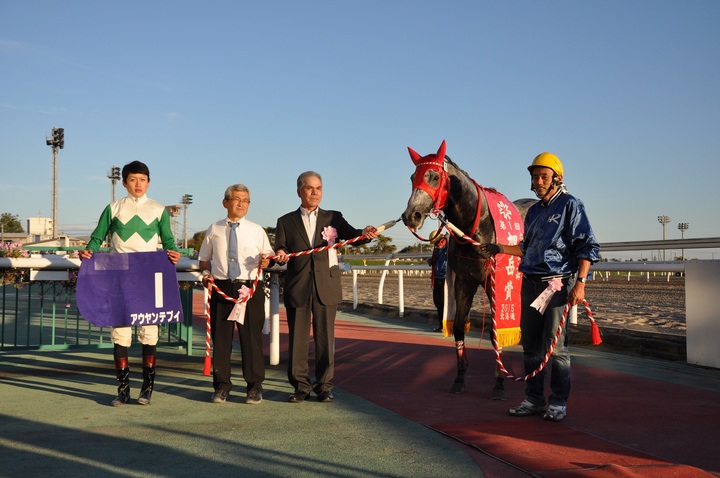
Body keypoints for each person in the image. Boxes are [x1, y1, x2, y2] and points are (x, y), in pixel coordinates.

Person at [480, 152, 600, 422]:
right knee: (531, 345)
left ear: (558, 178)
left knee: (556, 347)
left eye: (544, 176)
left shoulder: (571, 205)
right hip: (530, 283)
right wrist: (499, 248)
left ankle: (558, 402)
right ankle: (533, 399)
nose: (538, 182)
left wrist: (580, 283)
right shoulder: (534, 211)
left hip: (556, 284)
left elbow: (587, 246)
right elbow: (526, 248)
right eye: (535, 177)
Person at [79, 160, 181, 406]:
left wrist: (174, 253)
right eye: (133, 179)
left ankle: (147, 389)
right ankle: (123, 390)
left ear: (149, 183)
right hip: (120, 277)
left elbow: (168, 241)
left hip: (148, 278)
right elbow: (97, 237)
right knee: (121, 334)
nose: (138, 184)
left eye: (143, 180)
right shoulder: (113, 208)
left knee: (149, 333)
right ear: (124, 182)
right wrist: (89, 250)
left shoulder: (158, 209)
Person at [274, 171, 378, 403]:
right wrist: (280, 252)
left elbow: (353, 236)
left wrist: (366, 234)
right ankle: (300, 386)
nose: (315, 192)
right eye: (309, 188)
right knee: (297, 340)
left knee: (325, 339)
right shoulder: (285, 221)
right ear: (299, 191)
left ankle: (324, 386)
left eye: (318, 188)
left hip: (326, 286)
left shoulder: (334, 217)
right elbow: (280, 246)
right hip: (298, 286)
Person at [198, 184, 273, 405]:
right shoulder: (214, 229)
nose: (241, 204)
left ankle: (254, 386)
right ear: (225, 202)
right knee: (221, 340)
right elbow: (204, 260)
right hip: (222, 288)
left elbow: (268, 257)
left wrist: (266, 261)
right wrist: (205, 275)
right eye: (237, 199)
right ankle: (222, 386)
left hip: (250, 289)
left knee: (251, 339)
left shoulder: (257, 230)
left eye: (246, 200)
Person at [428, 230, 448, 333]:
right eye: (435, 243)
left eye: (437, 242)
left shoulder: (449, 249)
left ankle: (447, 326)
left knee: (445, 304)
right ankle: (441, 325)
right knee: (438, 303)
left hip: (446, 280)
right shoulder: (436, 251)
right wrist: (431, 261)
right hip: (436, 279)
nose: (436, 245)